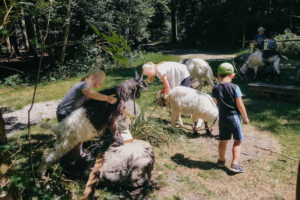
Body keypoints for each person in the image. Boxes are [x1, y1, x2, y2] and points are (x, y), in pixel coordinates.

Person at [56, 69, 117, 171]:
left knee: (77, 136)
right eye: (100, 80)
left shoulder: (85, 87)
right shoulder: (83, 85)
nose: (102, 83)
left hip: (70, 113)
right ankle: (77, 161)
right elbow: (92, 95)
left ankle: (76, 155)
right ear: (92, 77)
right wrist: (106, 98)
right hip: (66, 113)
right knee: (75, 137)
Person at [212, 63, 249, 173]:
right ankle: (234, 165)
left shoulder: (215, 88)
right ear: (232, 75)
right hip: (234, 118)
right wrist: (245, 117)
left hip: (222, 118)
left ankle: (221, 161)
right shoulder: (235, 87)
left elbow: (214, 103)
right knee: (237, 141)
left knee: (223, 140)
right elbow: (240, 104)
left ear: (218, 75)